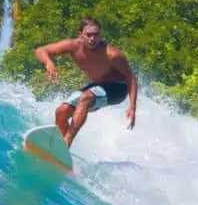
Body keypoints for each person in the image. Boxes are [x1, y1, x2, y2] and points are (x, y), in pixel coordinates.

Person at [34, 17, 137, 148]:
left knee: (86, 97)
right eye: (89, 35)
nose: (92, 39)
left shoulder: (112, 54)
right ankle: (61, 150)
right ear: (81, 35)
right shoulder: (72, 46)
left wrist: (132, 107)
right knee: (62, 111)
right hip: (97, 86)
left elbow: (131, 78)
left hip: (117, 89)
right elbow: (41, 50)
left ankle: (67, 144)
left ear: (101, 35)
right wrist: (49, 63)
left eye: (96, 35)